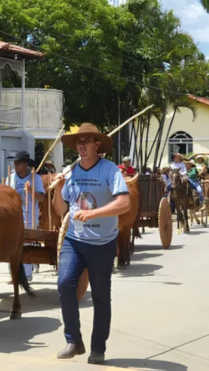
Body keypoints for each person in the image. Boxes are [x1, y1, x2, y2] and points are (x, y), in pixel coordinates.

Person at [51, 124, 130, 365]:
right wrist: (57, 188)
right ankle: (74, 340)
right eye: (78, 142)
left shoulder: (109, 170)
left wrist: (94, 214)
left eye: (86, 140)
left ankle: (98, 348)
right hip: (74, 240)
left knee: (100, 297)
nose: (81, 145)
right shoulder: (70, 171)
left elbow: (124, 203)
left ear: (97, 144)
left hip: (103, 243)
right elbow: (60, 209)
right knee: (65, 285)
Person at [6, 151, 45, 281]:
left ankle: (27, 274)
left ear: (26, 164)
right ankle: (14, 274)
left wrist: (30, 190)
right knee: (12, 244)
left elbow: (41, 198)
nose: (16, 165)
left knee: (26, 243)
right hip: (13, 216)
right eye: (15, 163)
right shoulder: (10, 178)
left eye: (19, 163)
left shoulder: (36, 178)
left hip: (29, 216)